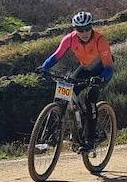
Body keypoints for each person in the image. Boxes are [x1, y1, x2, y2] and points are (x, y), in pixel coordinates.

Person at [37, 11, 115, 151]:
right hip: (85, 68)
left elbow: (109, 67)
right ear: (75, 29)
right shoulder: (70, 39)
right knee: (63, 95)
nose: (84, 32)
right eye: (80, 29)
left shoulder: (100, 40)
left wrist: (100, 78)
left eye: (87, 28)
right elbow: (56, 55)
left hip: (101, 71)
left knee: (90, 100)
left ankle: (90, 141)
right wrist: (44, 67)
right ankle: (50, 137)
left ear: (91, 26)